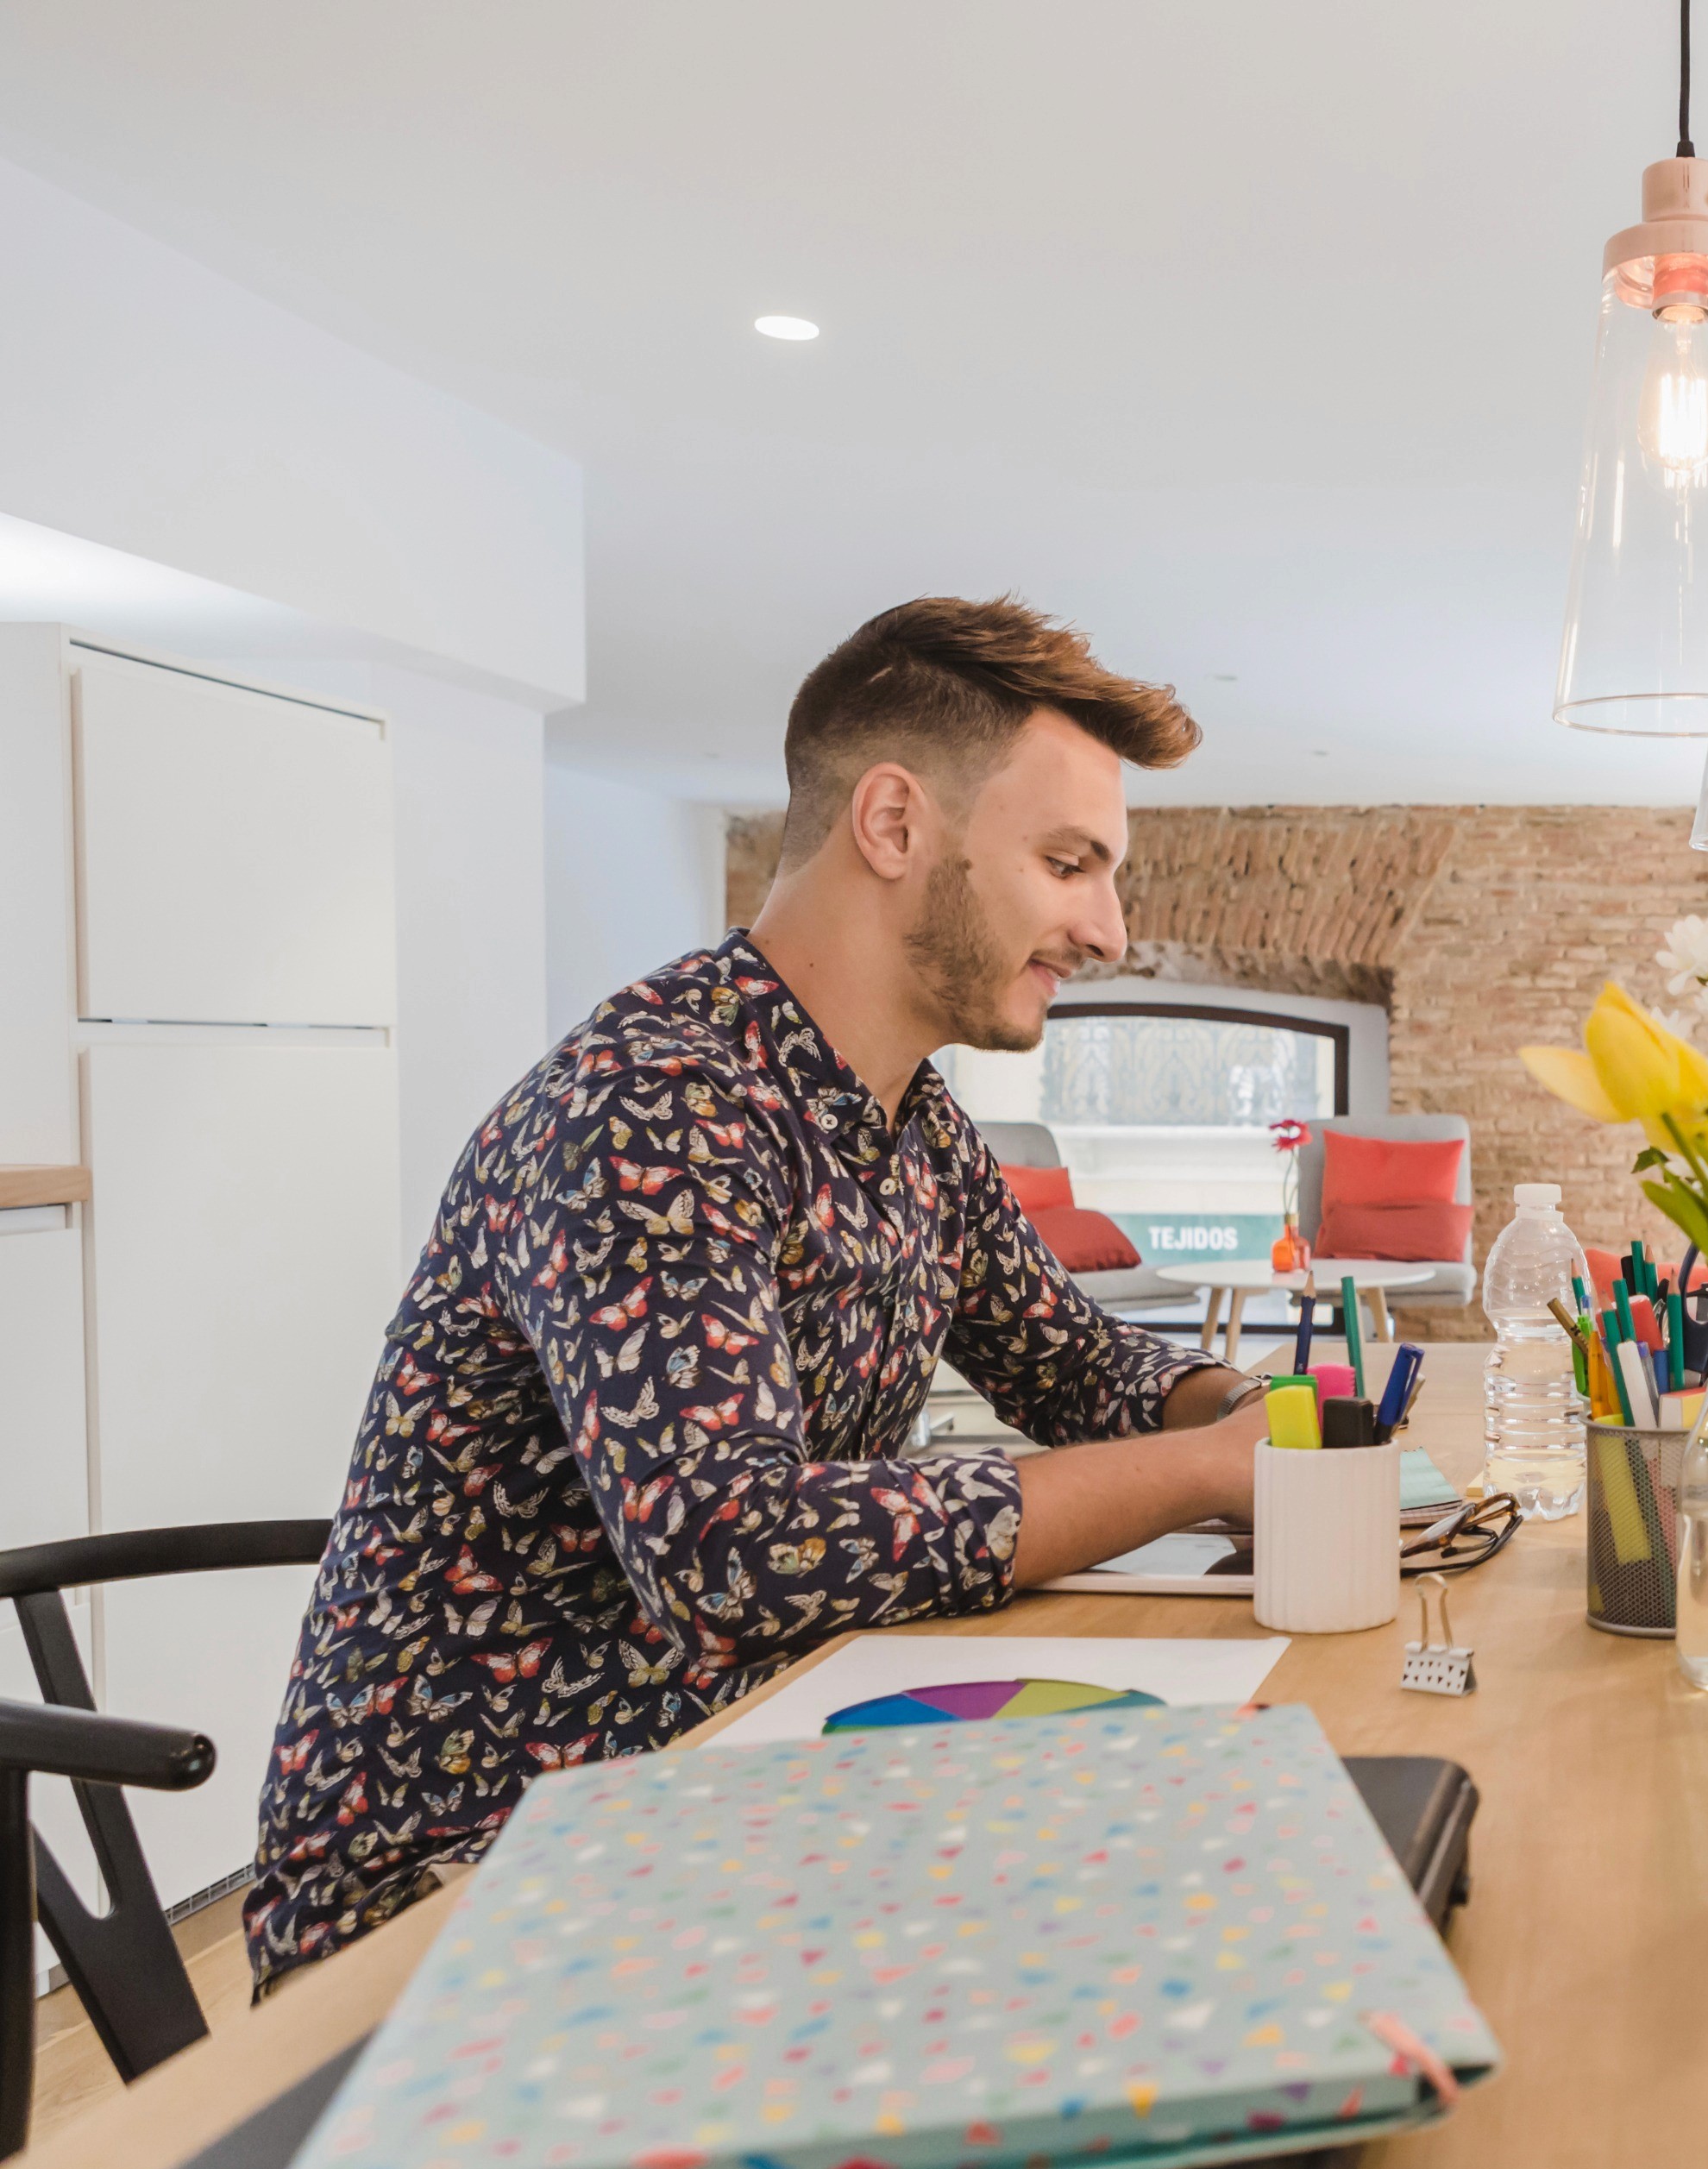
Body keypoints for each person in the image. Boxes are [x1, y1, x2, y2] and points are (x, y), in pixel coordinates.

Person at [244, 597, 1270, 1990]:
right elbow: (743, 1550)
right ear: (896, 826)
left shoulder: (910, 1117)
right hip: (471, 1877)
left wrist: (1263, 1416)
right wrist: (1208, 1472)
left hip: (720, 1783)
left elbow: (1074, 1366)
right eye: (1070, 862)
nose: (1108, 927)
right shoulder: (652, 1106)